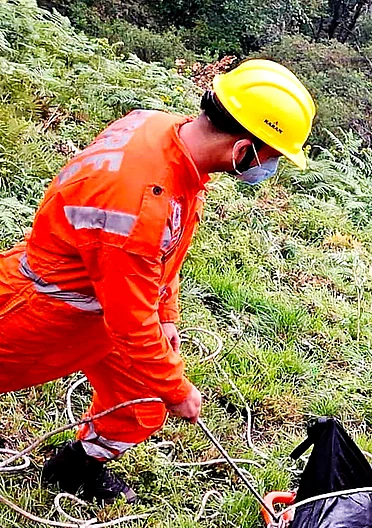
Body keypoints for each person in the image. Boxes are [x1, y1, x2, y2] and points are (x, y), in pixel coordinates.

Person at [0, 60, 316, 503]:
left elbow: (160, 255)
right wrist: (177, 388)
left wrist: (167, 314)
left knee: (140, 401)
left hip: (103, 305)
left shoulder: (162, 133)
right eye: (273, 156)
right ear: (243, 149)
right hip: (43, 307)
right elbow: (130, 317)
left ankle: (76, 467)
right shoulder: (140, 202)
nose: (271, 167)